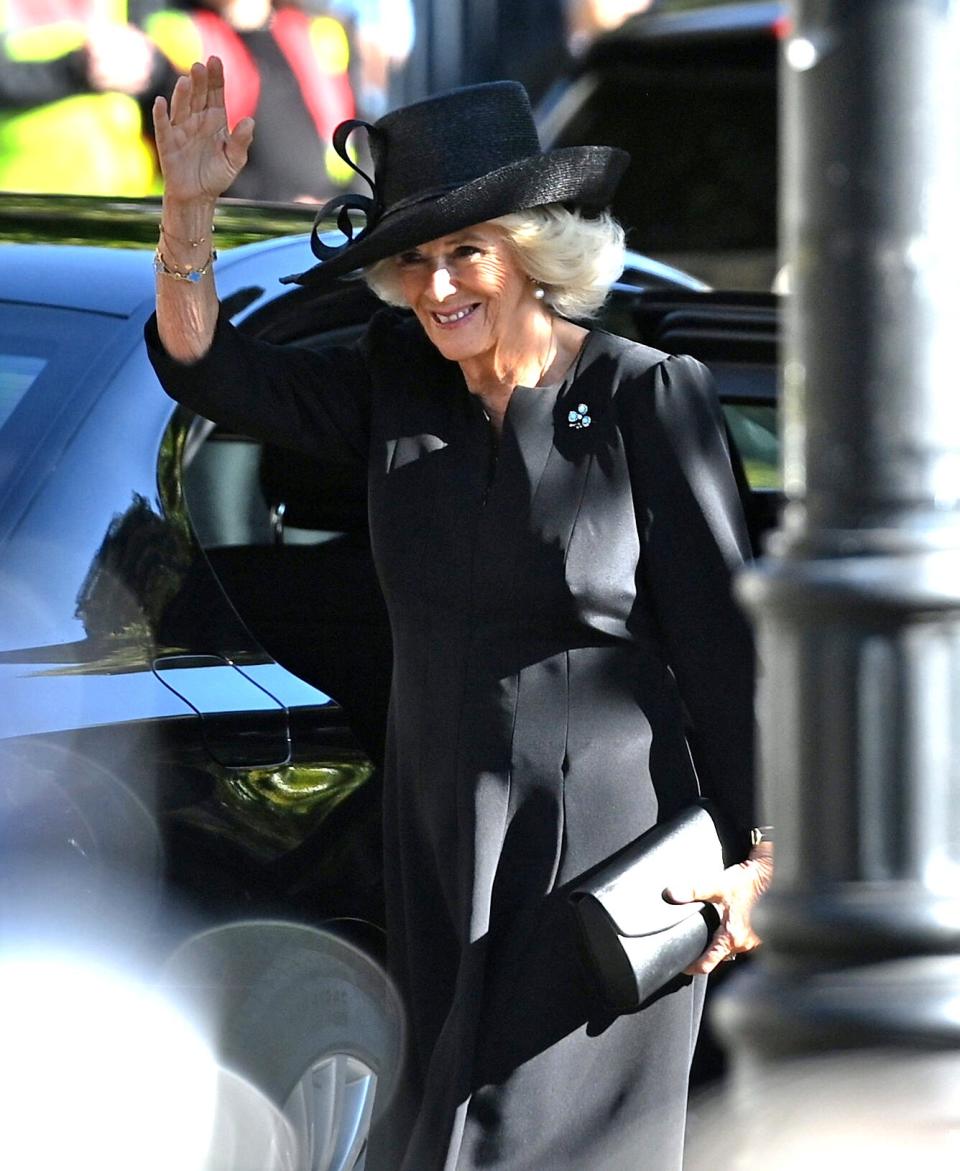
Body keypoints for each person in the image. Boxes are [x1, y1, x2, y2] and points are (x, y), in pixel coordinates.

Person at [146, 56, 772, 1171]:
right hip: (442, 840)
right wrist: (186, 213)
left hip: (612, 856)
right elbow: (211, 366)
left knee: (544, 1144)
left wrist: (760, 856)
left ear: (531, 252)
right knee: (442, 1140)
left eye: (466, 253)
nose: (438, 288)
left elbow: (728, 654)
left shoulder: (644, 395)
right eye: (419, 261)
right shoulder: (400, 389)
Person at [145, 1, 355, 201]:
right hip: (251, 219)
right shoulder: (180, 35)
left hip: (332, 210)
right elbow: (198, 158)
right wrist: (281, 204)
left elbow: (360, 130)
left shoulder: (315, 32)